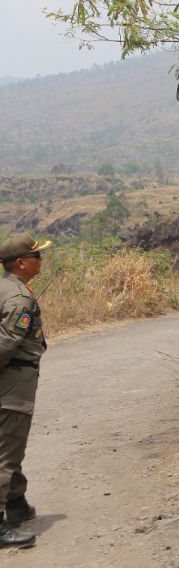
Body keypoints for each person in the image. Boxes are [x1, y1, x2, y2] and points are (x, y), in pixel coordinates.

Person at [0, 233, 50, 550]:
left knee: (11, 444)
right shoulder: (19, 297)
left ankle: (17, 505)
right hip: (13, 380)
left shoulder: (5, 287)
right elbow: (6, 341)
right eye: (37, 256)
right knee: (6, 453)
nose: (40, 260)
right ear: (21, 263)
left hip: (10, 377)